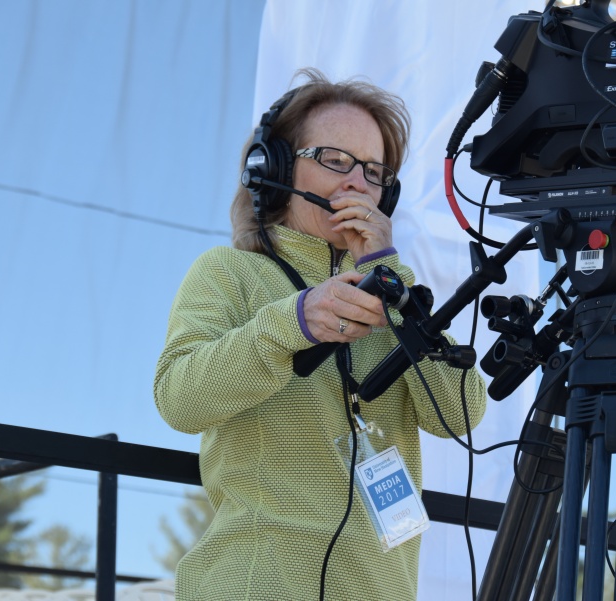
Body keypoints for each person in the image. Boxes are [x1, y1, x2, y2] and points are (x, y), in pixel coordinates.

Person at [154, 68, 486, 601]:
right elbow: (178, 398)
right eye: (335, 161)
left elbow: (462, 415)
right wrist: (294, 321)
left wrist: (390, 274)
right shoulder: (226, 273)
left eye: (375, 172)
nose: (358, 183)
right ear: (275, 169)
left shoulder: (396, 292)